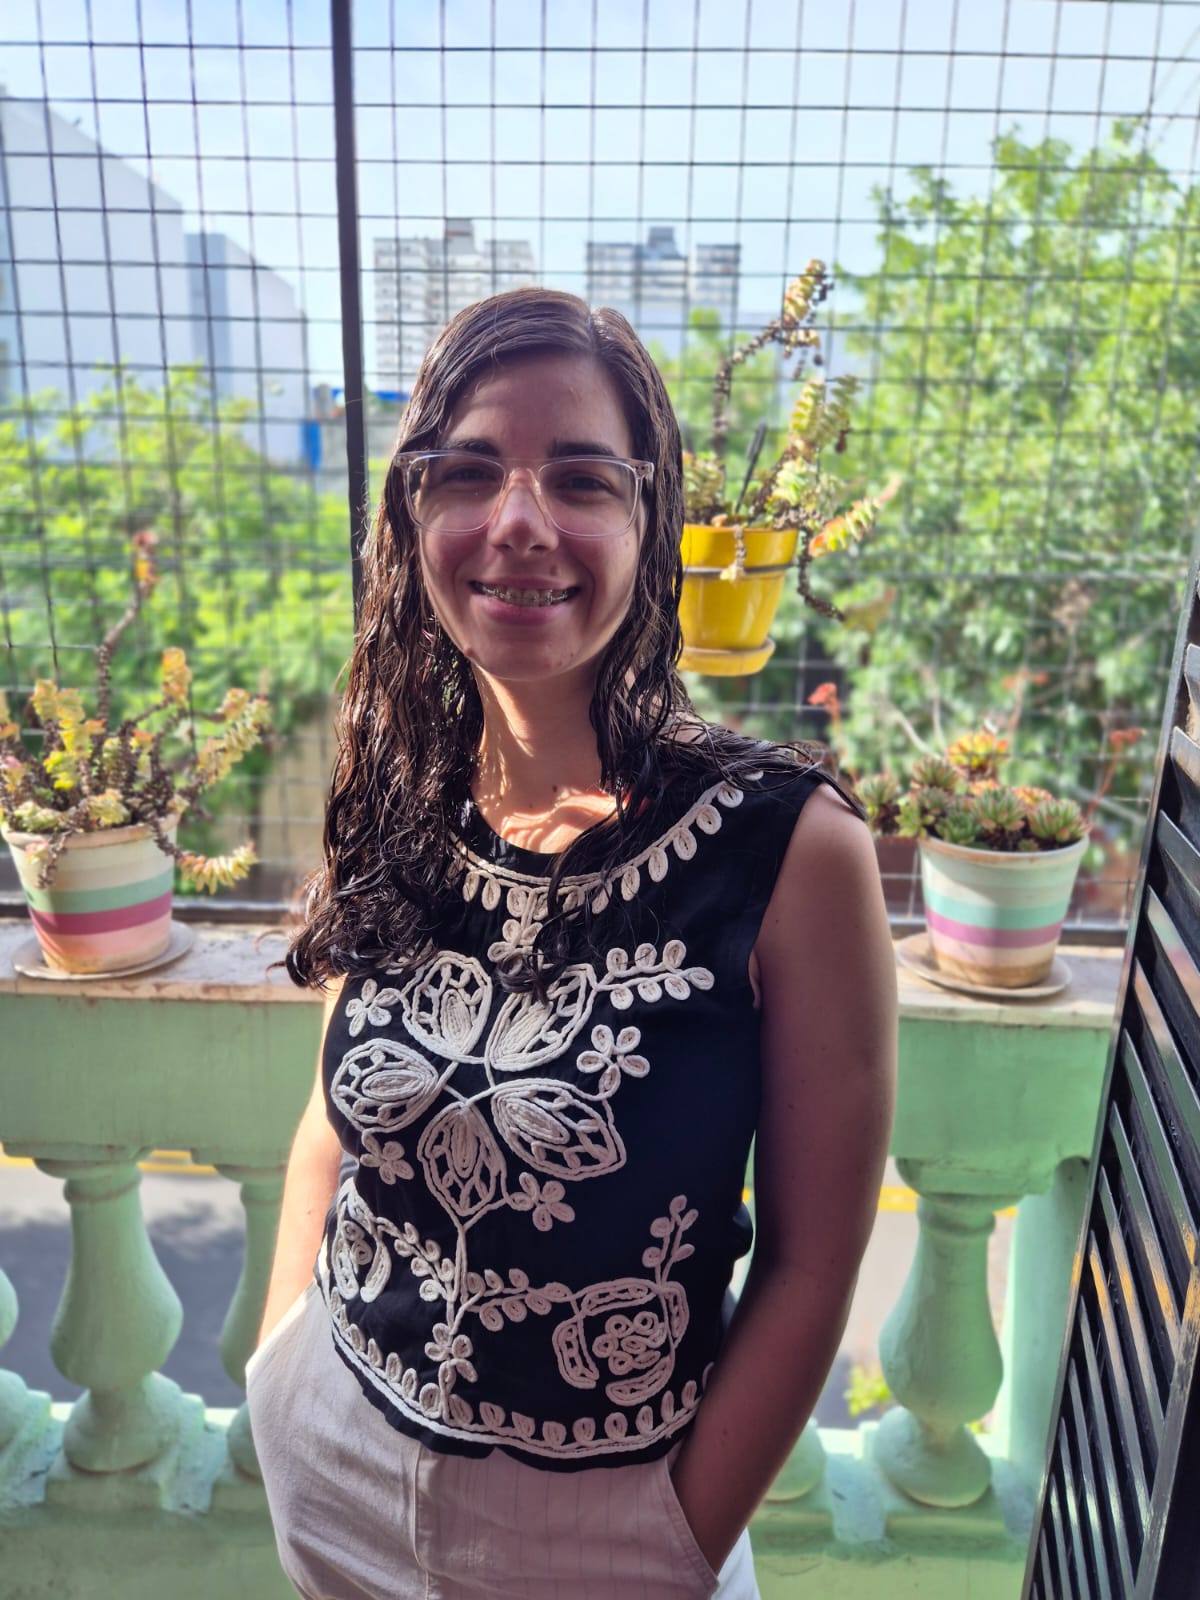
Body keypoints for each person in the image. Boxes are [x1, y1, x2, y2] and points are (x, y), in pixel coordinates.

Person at [248, 287, 897, 1600]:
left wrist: (676, 1541)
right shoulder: (399, 790)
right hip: (335, 1458)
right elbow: (332, 1119)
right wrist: (280, 1373)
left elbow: (815, 1261)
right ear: (412, 512)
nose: (520, 522)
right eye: (470, 471)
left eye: (583, 479)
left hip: (615, 1533)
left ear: (651, 526)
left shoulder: (788, 850)